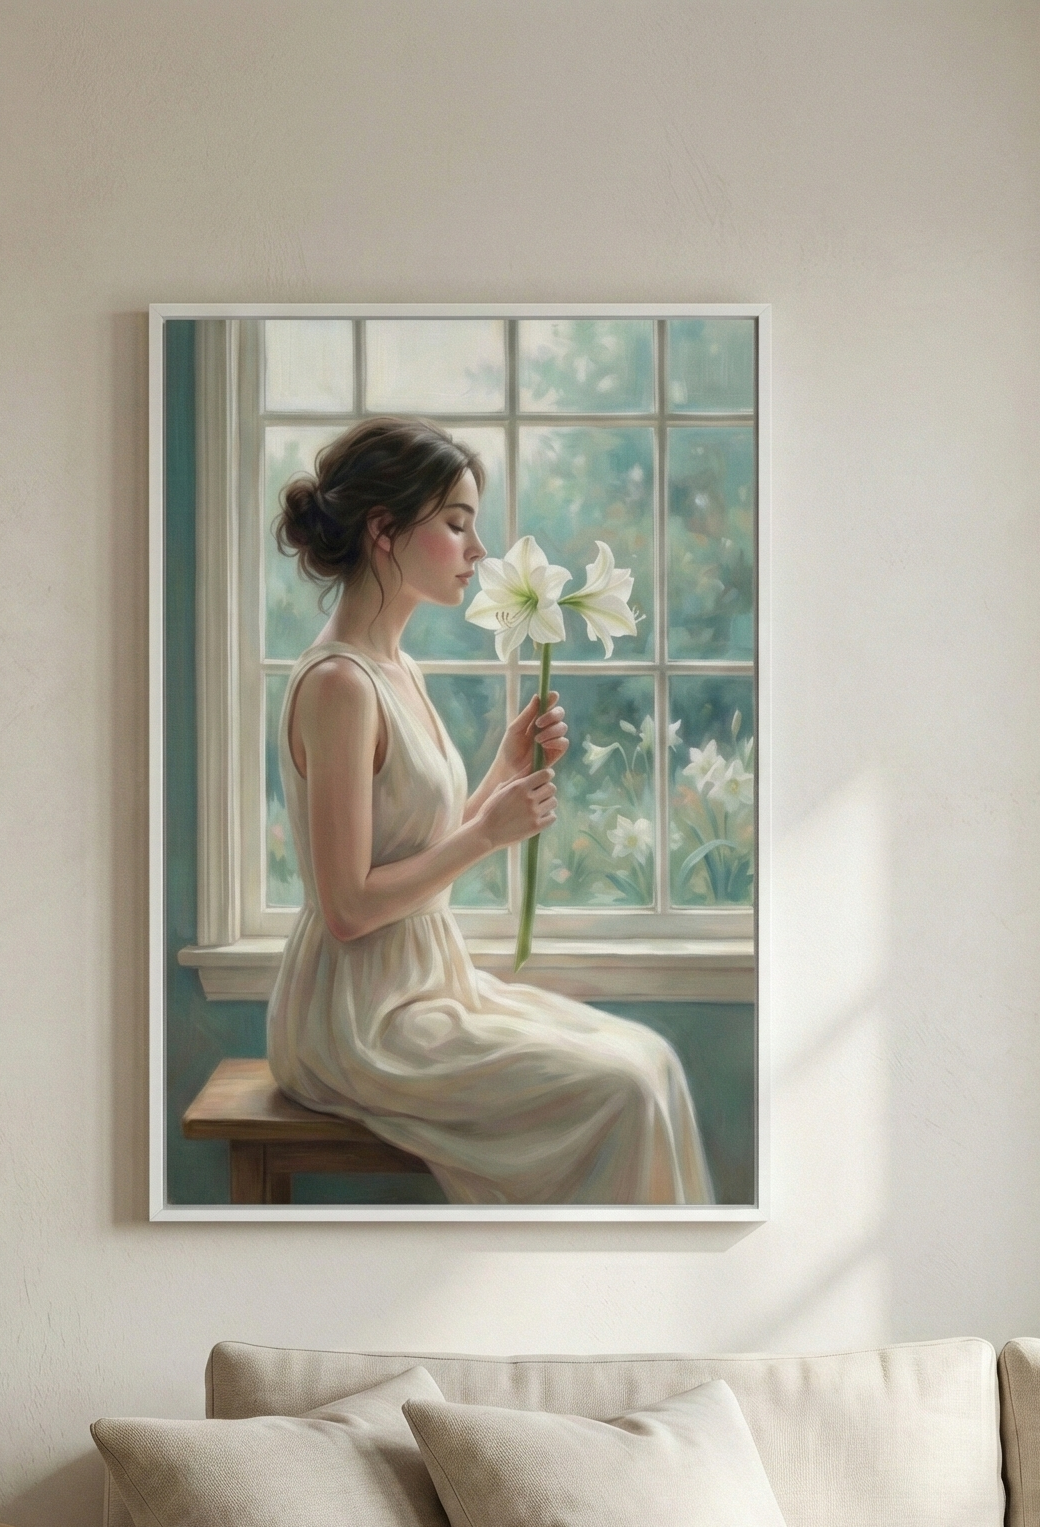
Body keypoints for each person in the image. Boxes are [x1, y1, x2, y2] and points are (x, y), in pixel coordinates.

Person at [263, 415, 713, 1205]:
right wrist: (485, 833)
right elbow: (348, 909)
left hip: (431, 984)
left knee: (654, 1060)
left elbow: (415, 849)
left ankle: (658, 1307)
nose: (477, 550)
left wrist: (503, 772)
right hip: (360, 1018)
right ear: (384, 530)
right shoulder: (339, 685)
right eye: (457, 523)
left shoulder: (397, 669)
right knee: (625, 1089)